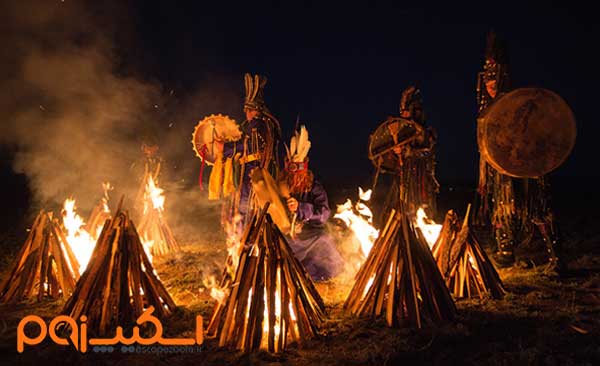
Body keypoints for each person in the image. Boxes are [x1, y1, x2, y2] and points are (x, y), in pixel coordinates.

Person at [473, 32, 563, 270]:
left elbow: (532, 131)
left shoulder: (517, 104)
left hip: (524, 164)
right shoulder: (485, 109)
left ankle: (555, 256)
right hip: (498, 169)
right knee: (502, 208)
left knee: (537, 207)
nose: (490, 86)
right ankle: (506, 252)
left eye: (494, 81)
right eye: (487, 82)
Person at [279, 126, 344, 281]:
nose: (294, 178)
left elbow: (324, 214)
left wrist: (301, 208)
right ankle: (287, 271)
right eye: (291, 175)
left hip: (311, 233)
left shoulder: (314, 187)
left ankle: (320, 273)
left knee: (324, 239)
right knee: (279, 242)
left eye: (298, 175)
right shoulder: (281, 185)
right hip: (288, 233)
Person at [220, 73, 281, 229]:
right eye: (246, 110)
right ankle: (247, 240)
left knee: (247, 207)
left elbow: (248, 145)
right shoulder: (261, 124)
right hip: (254, 171)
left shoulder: (257, 124)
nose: (247, 114)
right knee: (247, 207)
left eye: (249, 110)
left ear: (257, 111)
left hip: (253, 172)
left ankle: (246, 241)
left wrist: (225, 149)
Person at [374, 85, 439, 221]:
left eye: (406, 111)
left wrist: (407, 150)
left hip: (420, 178)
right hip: (403, 177)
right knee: (400, 210)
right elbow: (390, 158)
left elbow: (426, 152)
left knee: (422, 211)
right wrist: (390, 154)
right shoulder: (400, 131)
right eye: (402, 111)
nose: (403, 114)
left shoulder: (426, 132)